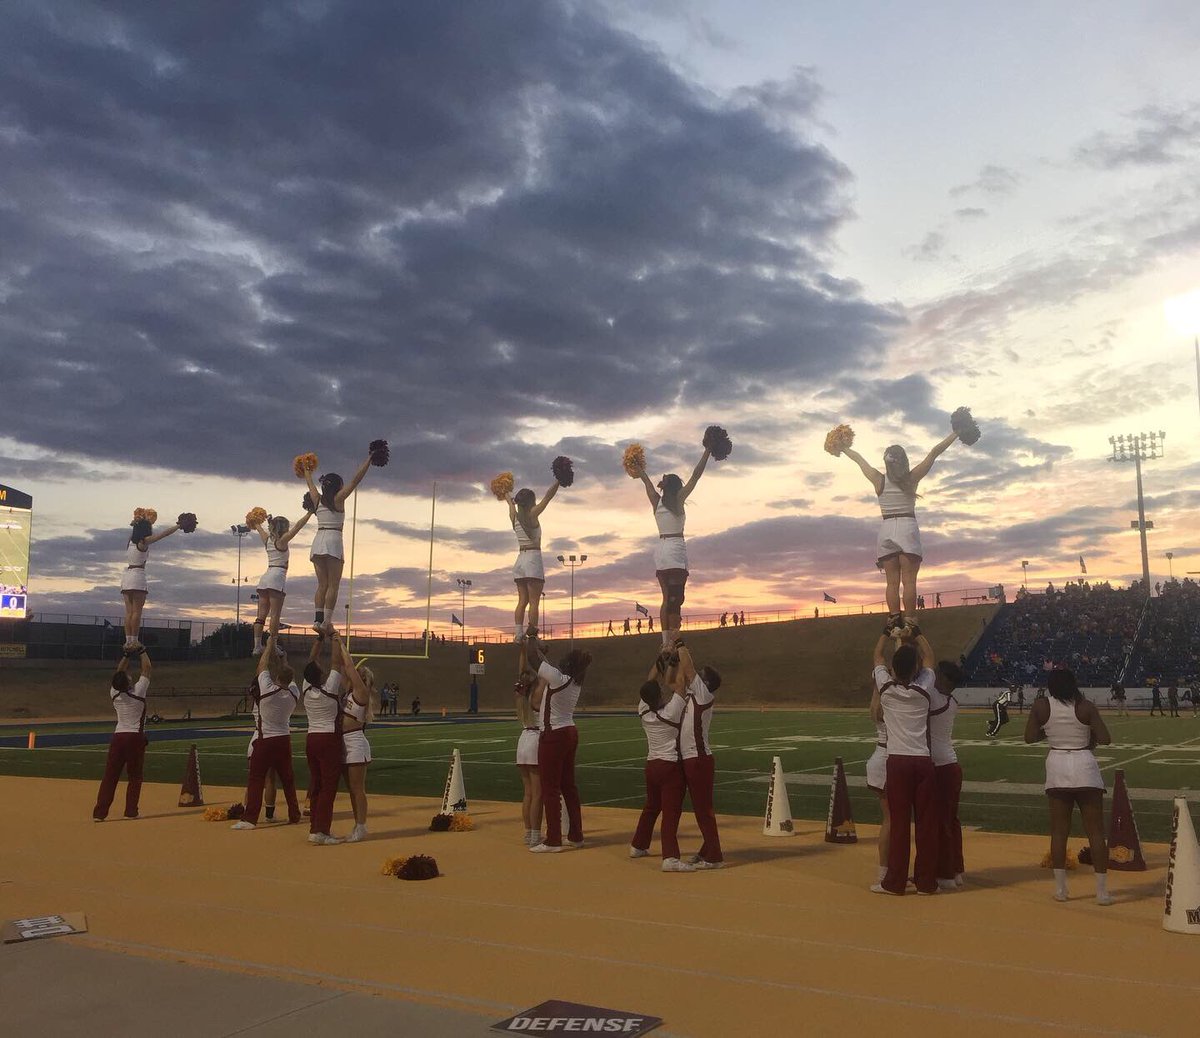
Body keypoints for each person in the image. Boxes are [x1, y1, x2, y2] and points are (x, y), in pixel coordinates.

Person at [836, 431, 960, 634]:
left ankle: (894, 619)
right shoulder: (912, 478)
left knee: (891, 582)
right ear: (905, 461)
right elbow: (934, 452)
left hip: (886, 530)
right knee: (909, 581)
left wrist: (841, 446)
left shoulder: (878, 479)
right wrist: (955, 433)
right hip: (907, 527)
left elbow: (858, 458)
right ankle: (910, 621)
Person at [1024, 669, 1113, 905]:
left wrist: (1049, 733)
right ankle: (1102, 893)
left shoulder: (1041, 706)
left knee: (1059, 832)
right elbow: (1105, 738)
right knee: (1096, 832)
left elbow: (1029, 737)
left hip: (1057, 766)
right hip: (1085, 766)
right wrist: (1088, 731)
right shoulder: (1086, 706)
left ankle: (1061, 890)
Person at [870, 630, 938, 895]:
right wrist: (917, 634)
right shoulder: (923, 690)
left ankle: (895, 882)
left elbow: (877, 656)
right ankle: (926, 882)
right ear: (916, 669)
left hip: (897, 762)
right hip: (923, 761)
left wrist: (886, 633)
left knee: (899, 824)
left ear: (893, 669)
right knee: (926, 824)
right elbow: (930, 658)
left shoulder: (886, 690)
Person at [631, 447, 711, 647]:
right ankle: (675, 643)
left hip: (661, 551)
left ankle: (665, 643)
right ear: (677, 487)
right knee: (676, 599)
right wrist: (707, 451)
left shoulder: (656, 502)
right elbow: (696, 475)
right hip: (675, 549)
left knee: (666, 599)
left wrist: (637, 467)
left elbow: (646, 482)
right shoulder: (678, 500)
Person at [523, 629, 590, 852]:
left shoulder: (558, 678)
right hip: (569, 732)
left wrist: (531, 637)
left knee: (550, 789)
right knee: (569, 787)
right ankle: (576, 835)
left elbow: (533, 659)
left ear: (568, 664)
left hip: (554, 735)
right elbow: (547, 666)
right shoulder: (573, 682)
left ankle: (553, 839)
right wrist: (541, 651)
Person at [299, 449, 377, 634]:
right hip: (333, 542)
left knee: (322, 585)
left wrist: (306, 467)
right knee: (333, 585)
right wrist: (369, 459)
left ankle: (317, 620)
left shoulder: (316, 499)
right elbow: (356, 480)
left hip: (318, 542)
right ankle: (326, 622)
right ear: (338, 486)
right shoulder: (339, 499)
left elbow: (309, 481)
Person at [630, 648, 690, 872]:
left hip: (652, 765)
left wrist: (661, 660)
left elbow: (650, 681)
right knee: (671, 812)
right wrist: (678, 658)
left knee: (651, 807)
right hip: (669, 766)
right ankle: (670, 858)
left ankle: (638, 845)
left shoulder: (644, 710)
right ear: (659, 695)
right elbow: (681, 684)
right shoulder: (670, 711)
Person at [233, 632, 301, 829]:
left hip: (266, 739)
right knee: (288, 780)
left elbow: (262, 666)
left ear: (277, 677)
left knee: (256, 778)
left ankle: (250, 819)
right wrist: (284, 659)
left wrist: (269, 645)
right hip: (284, 740)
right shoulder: (294, 693)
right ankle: (294, 814)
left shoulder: (268, 690)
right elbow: (288, 677)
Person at [675, 641, 723, 869]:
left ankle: (714, 856)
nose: (696, 676)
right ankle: (707, 849)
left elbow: (689, 669)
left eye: (701, 676)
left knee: (704, 810)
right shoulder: (694, 696)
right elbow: (680, 676)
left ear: (706, 684)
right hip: (691, 758)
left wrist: (680, 644)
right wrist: (670, 657)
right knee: (701, 809)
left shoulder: (703, 695)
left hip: (698, 758)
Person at [93, 646, 152, 821]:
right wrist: (142, 651)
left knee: (110, 776)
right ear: (127, 682)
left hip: (118, 736)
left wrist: (126, 655)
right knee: (135, 776)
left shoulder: (114, 693)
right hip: (134, 737)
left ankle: (100, 813)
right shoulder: (138, 692)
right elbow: (147, 669)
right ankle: (131, 811)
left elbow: (118, 672)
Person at [248, 510, 314, 657]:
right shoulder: (282, 541)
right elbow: (298, 527)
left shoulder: (267, 540)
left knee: (261, 615)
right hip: (277, 577)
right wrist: (309, 513)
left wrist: (256, 520)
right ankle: (272, 645)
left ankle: (257, 646)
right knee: (275, 615)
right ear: (283, 528)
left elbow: (259, 528)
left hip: (265, 577)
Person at [301, 630, 345, 845]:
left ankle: (315, 828)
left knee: (316, 784)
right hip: (328, 739)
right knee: (328, 787)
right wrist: (335, 637)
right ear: (319, 675)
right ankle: (321, 830)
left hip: (311, 738)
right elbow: (337, 662)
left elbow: (311, 660)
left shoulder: (306, 689)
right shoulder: (329, 690)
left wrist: (319, 639)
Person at [505, 478, 561, 641]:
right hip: (533, 559)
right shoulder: (532, 514)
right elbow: (548, 497)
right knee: (534, 602)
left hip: (520, 561)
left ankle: (518, 634)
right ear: (531, 502)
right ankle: (533, 636)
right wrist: (558, 481)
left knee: (522, 601)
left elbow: (509, 501)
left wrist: (505, 492)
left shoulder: (514, 516)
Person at [119, 510, 183, 652]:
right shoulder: (143, 542)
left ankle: (128, 641)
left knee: (128, 612)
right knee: (137, 612)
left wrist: (140, 520)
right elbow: (164, 534)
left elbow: (135, 528)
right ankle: (135, 640)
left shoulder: (130, 541)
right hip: (138, 576)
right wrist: (178, 526)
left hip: (126, 576)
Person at [928, 654, 966, 891]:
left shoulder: (933, 697)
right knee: (951, 821)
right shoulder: (952, 702)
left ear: (943, 678)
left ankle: (944, 874)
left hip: (940, 767)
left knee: (939, 822)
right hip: (950, 765)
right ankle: (956, 869)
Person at [340, 646, 377, 843]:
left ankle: (362, 826)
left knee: (357, 789)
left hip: (355, 742)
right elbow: (343, 669)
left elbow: (348, 667)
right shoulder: (349, 693)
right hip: (344, 744)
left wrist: (340, 642)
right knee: (351, 790)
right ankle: (357, 824)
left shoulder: (361, 692)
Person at [865, 653, 891, 887]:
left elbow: (878, 657)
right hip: (886, 762)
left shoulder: (877, 704)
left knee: (891, 820)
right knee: (891, 821)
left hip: (879, 758)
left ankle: (888, 871)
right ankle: (884, 873)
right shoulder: (893, 703)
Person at [514, 666, 544, 847]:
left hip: (523, 739)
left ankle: (528, 832)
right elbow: (543, 677)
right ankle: (535, 834)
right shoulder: (536, 697)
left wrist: (523, 651)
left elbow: (522, 670)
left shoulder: (520, 696)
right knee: (538, 794)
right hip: (535, 740)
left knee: (528, 793)